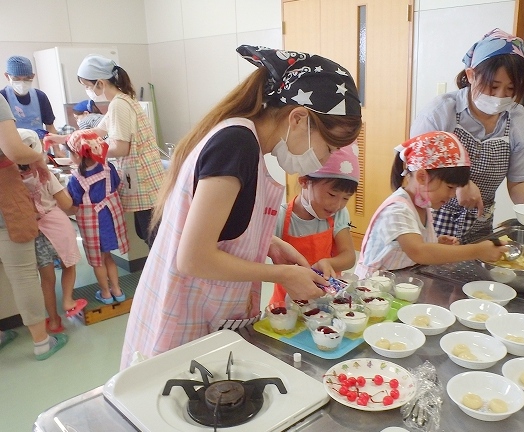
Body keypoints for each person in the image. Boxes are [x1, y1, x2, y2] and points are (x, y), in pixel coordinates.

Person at [120, 45, 362, 368]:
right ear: (299, 118)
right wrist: (282, 275)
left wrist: (272, 245)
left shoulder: (247, 146)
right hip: (178, 325)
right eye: (329, 147)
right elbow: (193, 257)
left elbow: (225, 227)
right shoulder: (237, 145)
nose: (326, 159)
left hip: (202, 319)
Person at [410, 29, 524, 244]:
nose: (500, 96)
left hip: (479, 225)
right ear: (471, 75)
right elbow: (415, 171)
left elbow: (519, 182)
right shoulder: (441, 112)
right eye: (493, 86)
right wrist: (459, 182)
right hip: (429, 222)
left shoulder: (520, 121)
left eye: (510, 89)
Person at [44, 55, 164, 247]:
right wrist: (62, 139)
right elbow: (97, 131)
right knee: (148, 234)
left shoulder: (119, 105)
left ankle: (163, 275)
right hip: (144, 180)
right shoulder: (123, 101)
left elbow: (121, 148)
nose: (87, 90)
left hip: (144, 181)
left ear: (99, 83)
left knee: (154, 239)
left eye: (86, 85)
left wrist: (89, 153)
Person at [355, 131, 507, 279]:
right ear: (422, 177)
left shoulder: (423, 206)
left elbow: (412, 245)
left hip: (398, 282)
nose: (453, 195)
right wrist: (477, 251)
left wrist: (435, 243)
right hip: (372, 291)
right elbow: (419, 251)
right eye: (450, 187)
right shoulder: (397, 209)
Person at [0, 94, 67, 360]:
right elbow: (15, 151)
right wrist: (38, 156)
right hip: (6, 204)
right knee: (24, 275)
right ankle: (41, 342)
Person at [269, 142, 360, 304]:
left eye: (346, 198)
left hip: (326, 302)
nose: (337, 205)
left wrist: (328, 263)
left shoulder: (338, 215)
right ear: (304, 181)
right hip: (288, 305)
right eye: (332, 195)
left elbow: (349, 256)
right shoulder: (280, 217)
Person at [17, 129, 85, 333]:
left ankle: (54, 321)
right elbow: (66, 203)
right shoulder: (45, 175)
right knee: (69, 265)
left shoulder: (13, 181)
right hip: (57, 226)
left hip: (35, 232)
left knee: (46, 279)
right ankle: (67, 300)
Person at [66, 130, 129, 304]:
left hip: (91, 222)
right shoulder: (108, 167)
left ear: (77, 155)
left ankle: (106, 293)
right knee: (108, 256)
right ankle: (117, 289)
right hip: (109, 218)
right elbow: (116, 184)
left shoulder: (76, 179)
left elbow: (74, 202)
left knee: (97, 261)